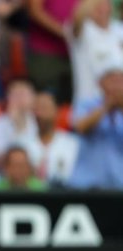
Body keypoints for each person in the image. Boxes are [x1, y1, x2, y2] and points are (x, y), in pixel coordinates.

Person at [69, 60, 123, 189]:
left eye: (120, 81)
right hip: (87, 184)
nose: (117, 86)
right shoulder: (87, 104)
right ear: (101, 83)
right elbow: (80, 127)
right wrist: (107, 106)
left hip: (119, 185)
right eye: (112, 80)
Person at [68, 0, 123, 104]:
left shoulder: (119, 29)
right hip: (89, 99)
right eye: (97, 6)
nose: (102, 9)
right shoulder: (83, 31)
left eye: (104, 5)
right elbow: (77, 20)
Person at [26, 0, 79, 104]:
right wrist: (63, 32)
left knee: (70, 103)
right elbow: (34, 10)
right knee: (46, 103)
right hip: (46, 55)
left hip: (74, 55)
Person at [32, 90, 79, 186]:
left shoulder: (72, 143)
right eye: (36, 109)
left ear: (56, 111)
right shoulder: (22, 144)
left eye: (44, 107)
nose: (39, 113)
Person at [0, 78, 39, 161]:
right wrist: (16, 125)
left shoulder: (41, 121)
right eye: (15, 95)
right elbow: (1, 161)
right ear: (7, 98)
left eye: (23, 94)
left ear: (33, 97)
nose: (20, 99)